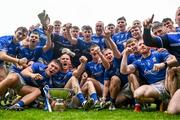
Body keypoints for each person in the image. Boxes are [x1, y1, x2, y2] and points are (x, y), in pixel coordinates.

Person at [120, 42, 177, 112]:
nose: (142, 45)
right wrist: (125, 55)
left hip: (167, 82)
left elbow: (175, 59)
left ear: (150, 46)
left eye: (145, 43)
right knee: (137, 94)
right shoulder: (138, 62)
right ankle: (162, 101)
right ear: (138, 49)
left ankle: (171, 102)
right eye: (140, 45)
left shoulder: (159, 53)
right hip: (154, 86)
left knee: (173, 69)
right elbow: (124, 71)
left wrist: (163, 64)